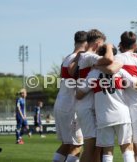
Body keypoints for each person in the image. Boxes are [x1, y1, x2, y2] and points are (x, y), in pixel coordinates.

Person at [100, 31, 137, 162]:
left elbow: (111, 69)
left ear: (120, 44)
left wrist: (96, 65)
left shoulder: (120, 58)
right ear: (135, 45)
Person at [74, 29, 114, 162]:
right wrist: (109, 47)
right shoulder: (89, 56)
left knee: (97, 146)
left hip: (87, 105)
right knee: (90, 147)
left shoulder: (85, 57)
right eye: (102, 45)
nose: (103, 47)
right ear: (97, 44)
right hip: (86, 107)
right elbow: (109, 59)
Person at [52, 30, 87, 162]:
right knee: (77, 146)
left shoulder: (67, 57)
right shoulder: (79, 59)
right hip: (71, 107)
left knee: (67, 144)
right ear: (86, 43)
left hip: (61, 104)